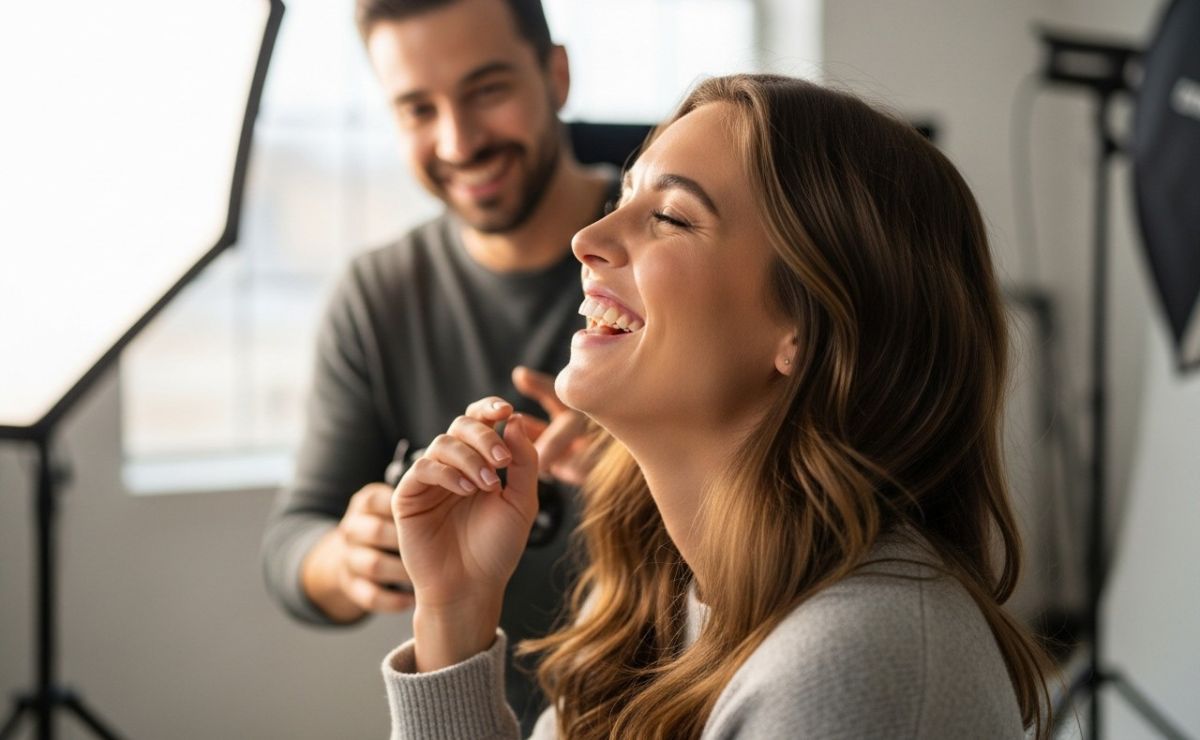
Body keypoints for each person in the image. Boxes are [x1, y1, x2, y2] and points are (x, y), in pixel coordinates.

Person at [380, 73, 1055, 738]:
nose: (587, 240)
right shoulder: (664, 600)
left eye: (670, 217)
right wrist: (454, 614)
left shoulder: (857, 666)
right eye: (622, 196)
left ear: (810, 323)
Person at [259, 0, 615, 728]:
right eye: (418, 109)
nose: (459, 140)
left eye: (488, 91)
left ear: (557, 74)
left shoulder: (666, 249)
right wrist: (349, 557)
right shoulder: (378, 296)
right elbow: (293, 542)